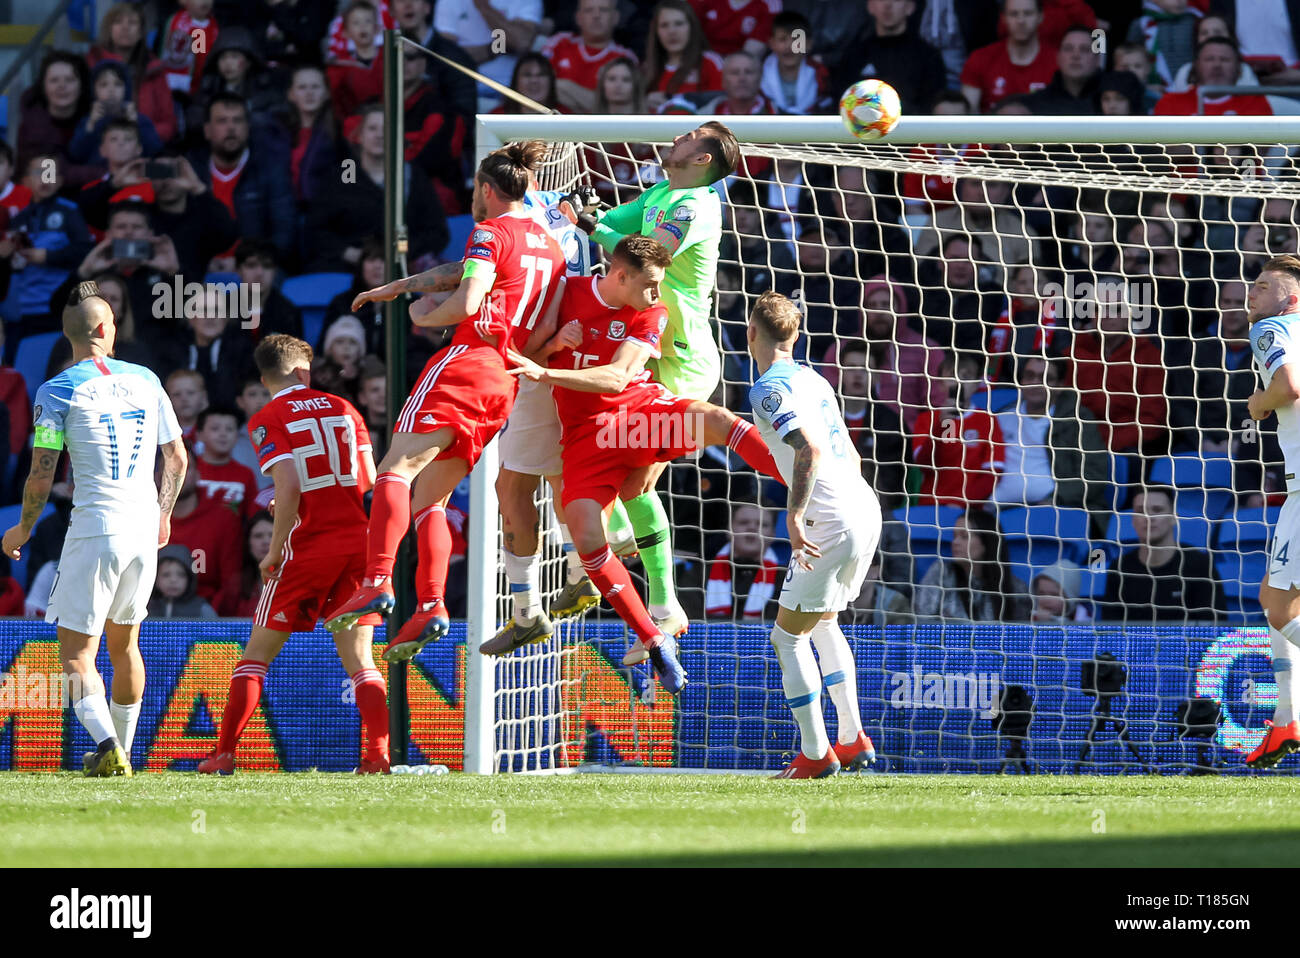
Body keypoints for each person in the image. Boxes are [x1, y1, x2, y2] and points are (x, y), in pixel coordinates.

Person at [501, 238, 785, 689]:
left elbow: (615, 378)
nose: (658, 292)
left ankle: (797, 476)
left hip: (636, 417)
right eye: (651, 283)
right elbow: (520, 359)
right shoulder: (564, 292)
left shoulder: (653, 312)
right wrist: (553, 345)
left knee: (715, 418)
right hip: (583, 438)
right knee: (584, 529)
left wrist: (548, 372)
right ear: (620, 275)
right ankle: (653, 637)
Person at [325, 142, 566, 661]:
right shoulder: (551, 248)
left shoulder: (489, 230)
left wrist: (420, 317)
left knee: (393, 473)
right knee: (430, 501)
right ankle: (431, 605)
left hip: (464, 363)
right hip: (504, 382)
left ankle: (377, 581)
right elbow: (535, 320)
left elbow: (470, 295)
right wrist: (403, 286)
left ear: (485, 189)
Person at [1, 281, 187, 777]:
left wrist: (22, 528)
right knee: (126, 643)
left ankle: (107, 745)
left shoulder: (57, 388)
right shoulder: (148, 379)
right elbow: (176, 457)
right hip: (144, 527)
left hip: (95, 527)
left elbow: (43, 469)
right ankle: (122, 751)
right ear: (108, 329)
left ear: (69, 337)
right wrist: (164, 514)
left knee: (77, 653)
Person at [571, 121, 739, 640]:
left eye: (690, 135)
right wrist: (582, 210)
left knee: (636, 480)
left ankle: (656, 597)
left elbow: (651, 255)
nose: (677, 136)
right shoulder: (662, 191)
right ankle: (648, 592)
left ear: (703, 159)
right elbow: (614, 220)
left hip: (683, 360)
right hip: (645, 350)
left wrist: (595, 228)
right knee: (619, 474)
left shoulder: (696, 206)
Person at [198, 334, 389, 775]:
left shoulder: (267, 417)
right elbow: (370, 486)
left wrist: (274, 547)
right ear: (304, 371)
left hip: (307, 548)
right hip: (359, 543)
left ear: (265, 378)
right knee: (362, 662)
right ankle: (377, 757)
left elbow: (289, 485)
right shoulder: (347, 409)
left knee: (255, 656)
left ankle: (223, 754)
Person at [745, 291, 882, 778]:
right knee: (823, 623)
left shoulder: (767, 389)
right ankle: (851, 739)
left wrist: (796, 515)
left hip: (831, 516)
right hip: (864, 505)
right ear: (797, 335)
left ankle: (815, 753)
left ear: (751, 334)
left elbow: (807, 452)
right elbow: (849, 451)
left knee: (787, 637)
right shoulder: (815, 377)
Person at [1245, 255, 1300, 767]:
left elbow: (1288, 389)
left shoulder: (1273, 328)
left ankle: (1288, 721)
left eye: (1265, 285)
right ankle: (1285, 721)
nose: (1253, 293)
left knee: (1278, 607)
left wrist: (1258, 404)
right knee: (1282, 605)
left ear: (1292, 299)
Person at [1101, 485, 1225, 623]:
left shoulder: (1200, 566)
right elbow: (1111, 630)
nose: (1148, 517)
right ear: (1133, 520)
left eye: (1157, 510)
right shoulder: (1119, 568)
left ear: (1173, 517)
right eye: (1141, 511)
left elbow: (1214, 627)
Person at [911, 351, 1005, 507]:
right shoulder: (926, 419)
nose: (958, 382)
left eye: (966, 377)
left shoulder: (987, 421)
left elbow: (993, 473)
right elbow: (924, 465)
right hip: (930, 504)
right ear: (940, 384)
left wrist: (961, 503)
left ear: (976, 384)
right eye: (952, 376)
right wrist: (941, 426)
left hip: (969, 511)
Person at [912, 508, 1031, 622]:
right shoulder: (941, 572)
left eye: (964, 536)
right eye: (954, 536)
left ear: (986, 543)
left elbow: (1019, 635)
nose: (955, 542)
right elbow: (922, 621)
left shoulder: (1016, 589)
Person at [87, 2, 177, 146]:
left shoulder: (155, 69)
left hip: (145, 148)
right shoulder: (90, 65)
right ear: (108, 29)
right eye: (118, 22)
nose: (125, 27)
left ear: (141, 32)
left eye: (132, 22)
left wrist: (141, 133)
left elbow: (168, 124)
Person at [835, 0, 948, 115]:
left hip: (913, 128)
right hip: (865, 129)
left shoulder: (928, 56)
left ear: (910, 7)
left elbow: (933, 101)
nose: (887, 5)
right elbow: (843, 99)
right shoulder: (855, 55)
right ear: (870, 6)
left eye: (896, 0)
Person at [960, 0, 1057, 112]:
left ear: (1040, 16)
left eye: (1028, 13)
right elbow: (968, 115)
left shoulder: (1057, 61)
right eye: (1014, 14)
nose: (1021, 21)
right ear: (1003, 18)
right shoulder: (980, 59)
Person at [543, 0, 637, 113]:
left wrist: (565, 86)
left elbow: (623, 109)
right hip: (554, 127)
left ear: (616, 17)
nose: (596, 15)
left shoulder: (625, 57)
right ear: (578, 17)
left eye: (603, 10)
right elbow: (541, 87)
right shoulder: (559, 43)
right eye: (589, 10)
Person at [1154, 37, 1273, 116]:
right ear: (1195, 67)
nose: (1217, 65)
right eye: (1209, 59)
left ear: (1239, 69)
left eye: (1225, 60)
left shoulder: (1255, 102)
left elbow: (1256, 150)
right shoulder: (1170, 103)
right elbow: (1166, 149)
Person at [643, 0, 725, 112]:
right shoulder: (646, 69)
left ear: (692, 27)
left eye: (679, 23)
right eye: (664, 25)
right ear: (656, 31)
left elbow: (723, 103)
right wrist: (643, 103)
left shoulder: (710, 62)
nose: (672, 31)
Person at [705, 502, 781, 621]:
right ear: (729, 530)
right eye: (744, 522)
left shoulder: (786, 579)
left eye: (762, 524)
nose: (752, 528)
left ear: (773, 534)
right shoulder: (700, 573)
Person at [761, 11, 832, 116]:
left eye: (796, 39)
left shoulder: (822, 74)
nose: (789, 46)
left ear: (808, 44)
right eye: (782, 39)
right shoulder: (759, 74)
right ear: (772, 43)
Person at [194, 405, 258, 519]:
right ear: (199, 435)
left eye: (229, 429)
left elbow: (253, 518)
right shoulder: (189, 471)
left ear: (237, 436)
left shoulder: (246, 474)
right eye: (215, 428)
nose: (223, 434)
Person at [1023, 23, 1102, 114]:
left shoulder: (1114, 101)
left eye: (1084, 49)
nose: (1075, 55)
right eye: (1068, 49)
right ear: (1058, 57)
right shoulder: (1036, 104)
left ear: (1097, 59)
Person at [148, 544, 218, 618]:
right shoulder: (144, 608)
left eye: (181, 575)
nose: (173, 580)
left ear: (190, 579)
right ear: (155, 578)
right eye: (166, 575)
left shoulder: (202, 609)